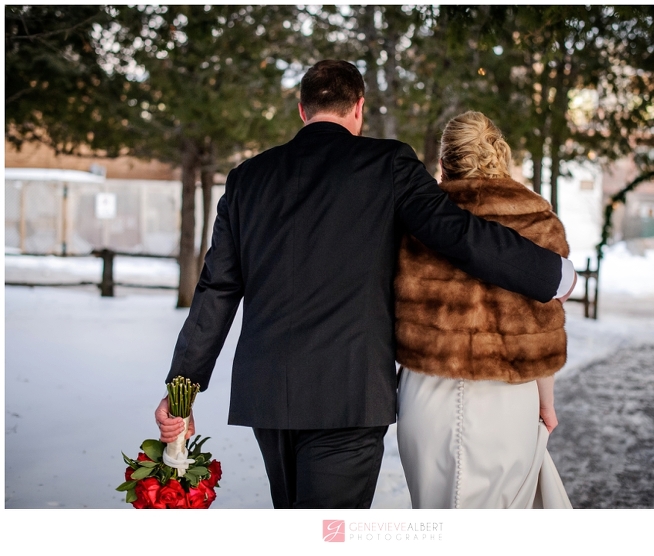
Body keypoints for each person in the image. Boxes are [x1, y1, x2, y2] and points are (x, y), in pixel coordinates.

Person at [155, 61, 577, 509]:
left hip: (270, 396)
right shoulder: (388, 163)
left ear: (302, 110)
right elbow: (457, 233)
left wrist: (181, 389)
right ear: (359, 108)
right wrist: (551, 273)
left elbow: (216, 291)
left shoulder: (246, 179)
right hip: (349, 396)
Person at [395, 111, 574, 508]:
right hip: (508, 398)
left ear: (443, 161)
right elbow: (544, 324)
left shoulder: (415, 217)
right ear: (499, 154)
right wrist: (546, 402)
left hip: (426, 394)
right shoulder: (536, 217)